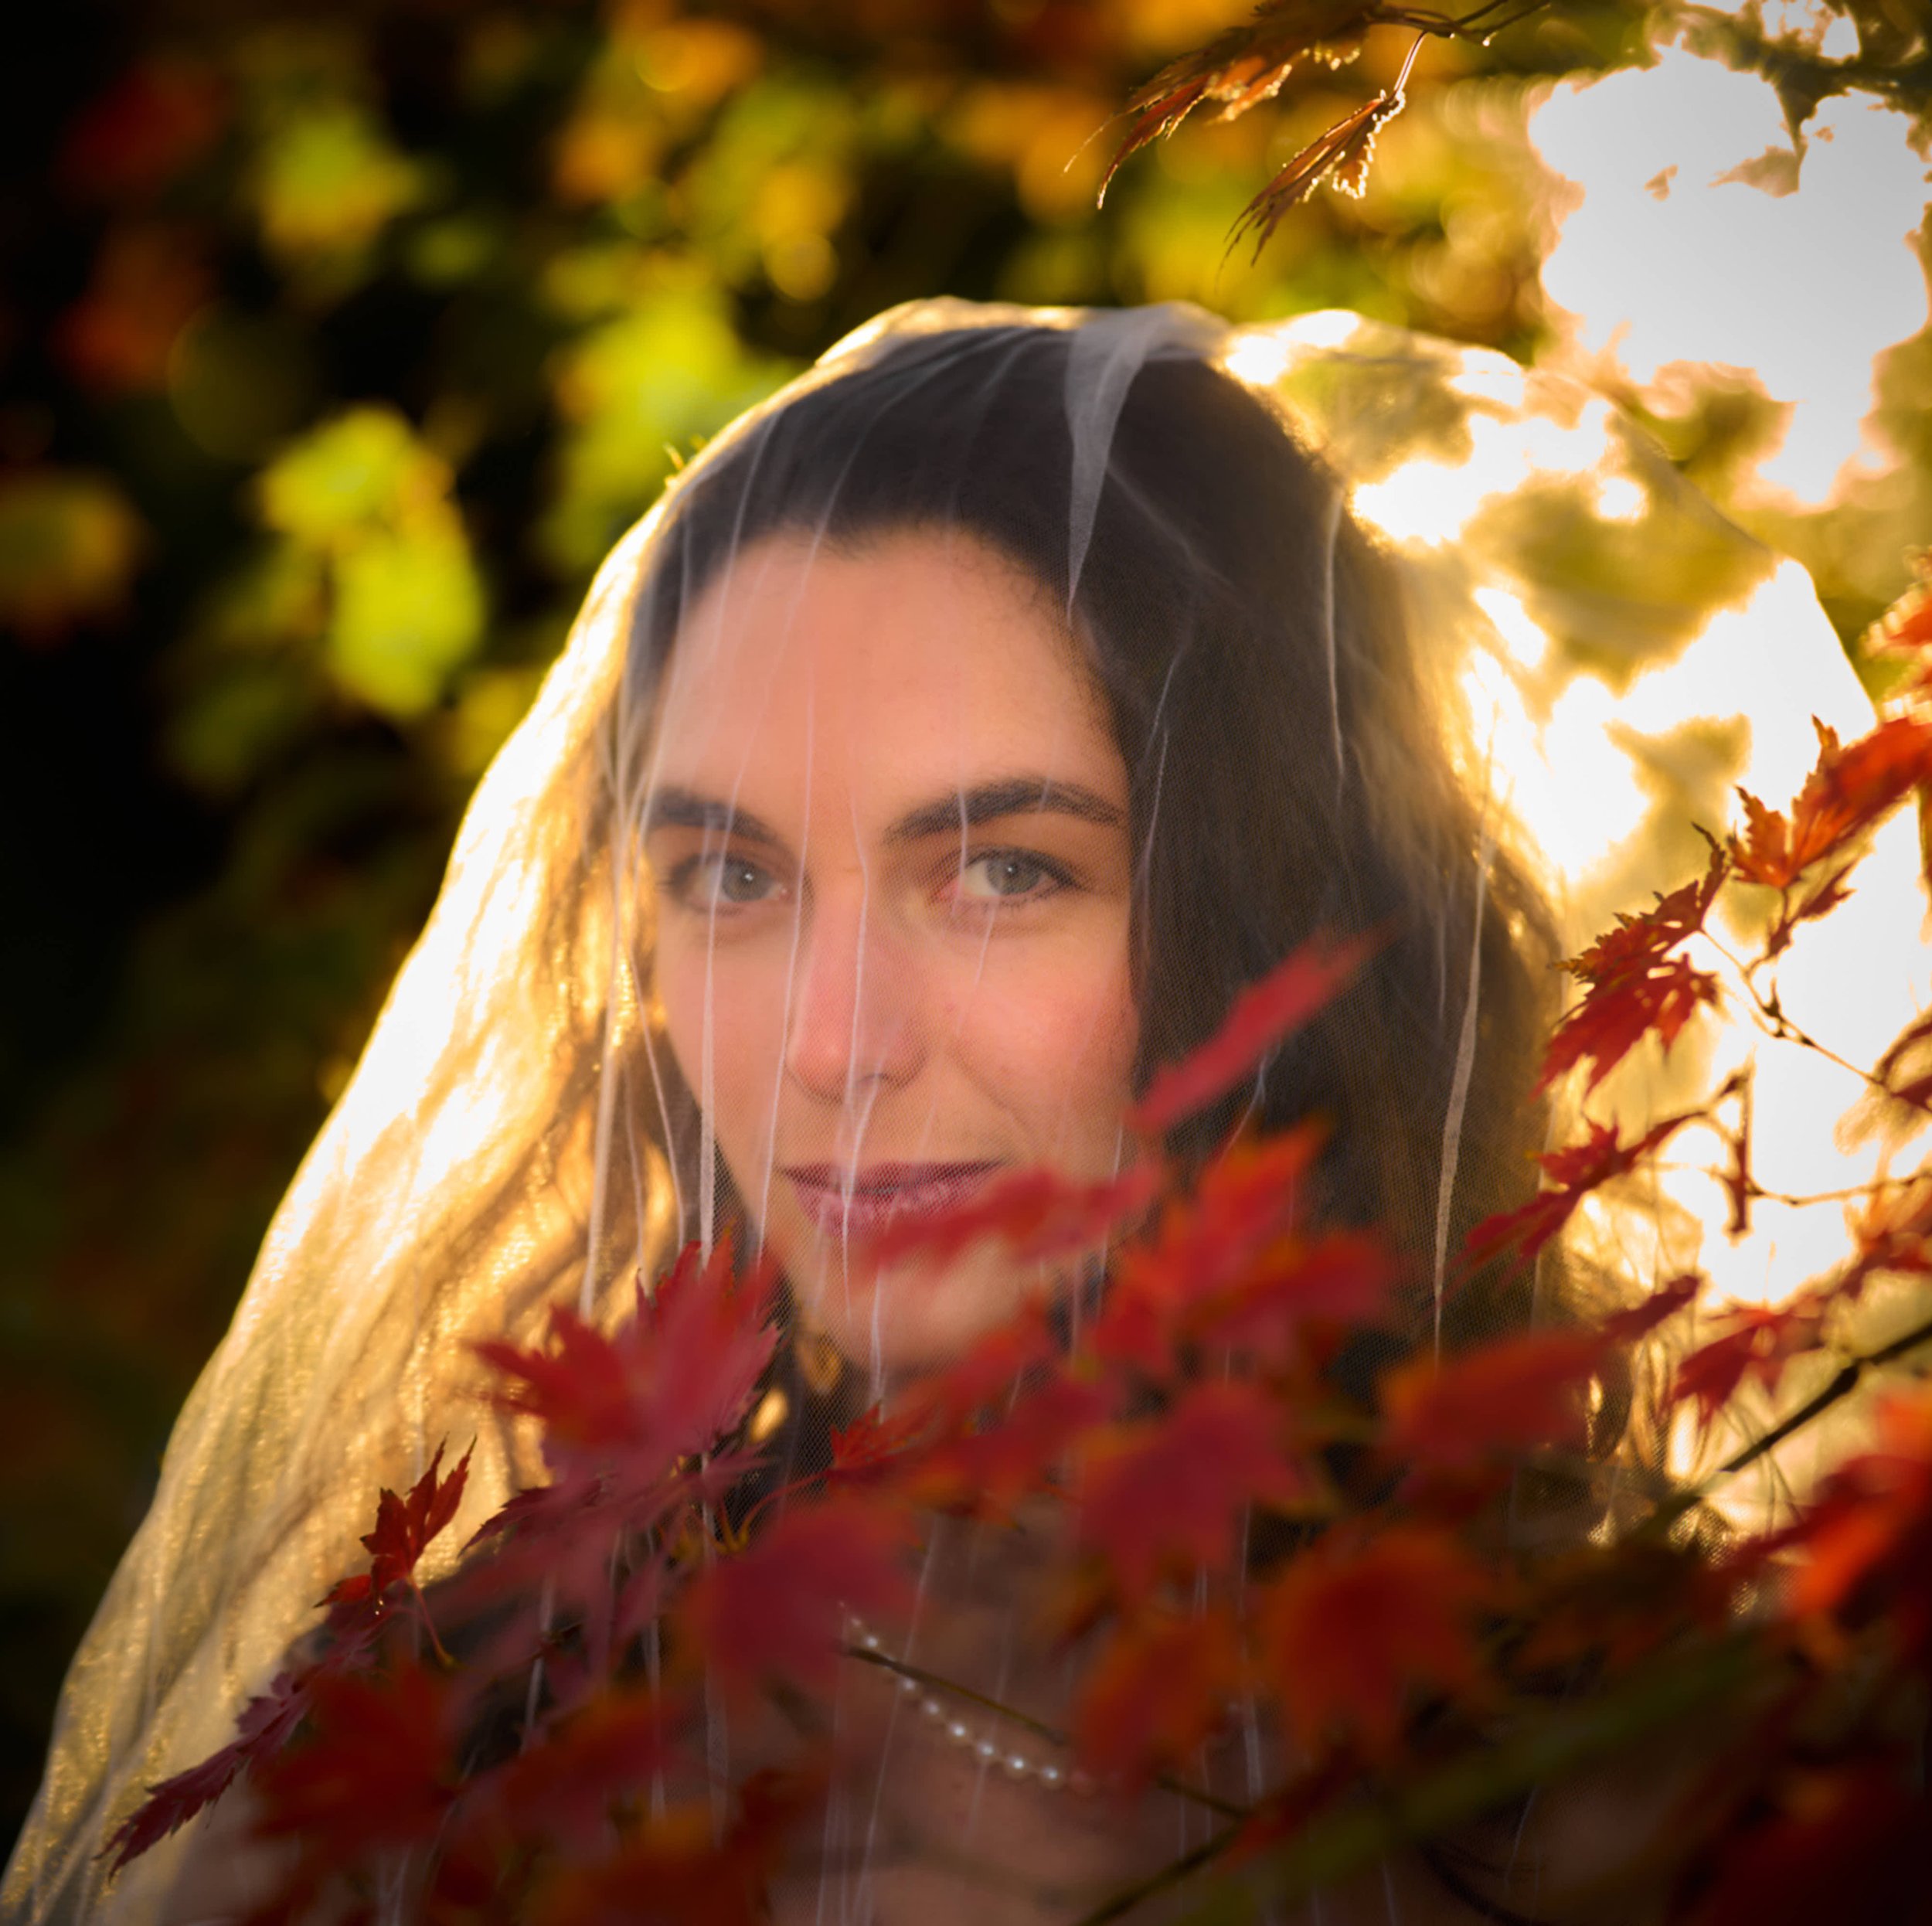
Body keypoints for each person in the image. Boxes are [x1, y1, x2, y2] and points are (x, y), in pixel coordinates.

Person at [9, 298, 1828, 1924]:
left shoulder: (1662, 1776)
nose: (829, 1041)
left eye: (1003, 870)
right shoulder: (438, 1772)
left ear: (1278, 920)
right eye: (729, 875)